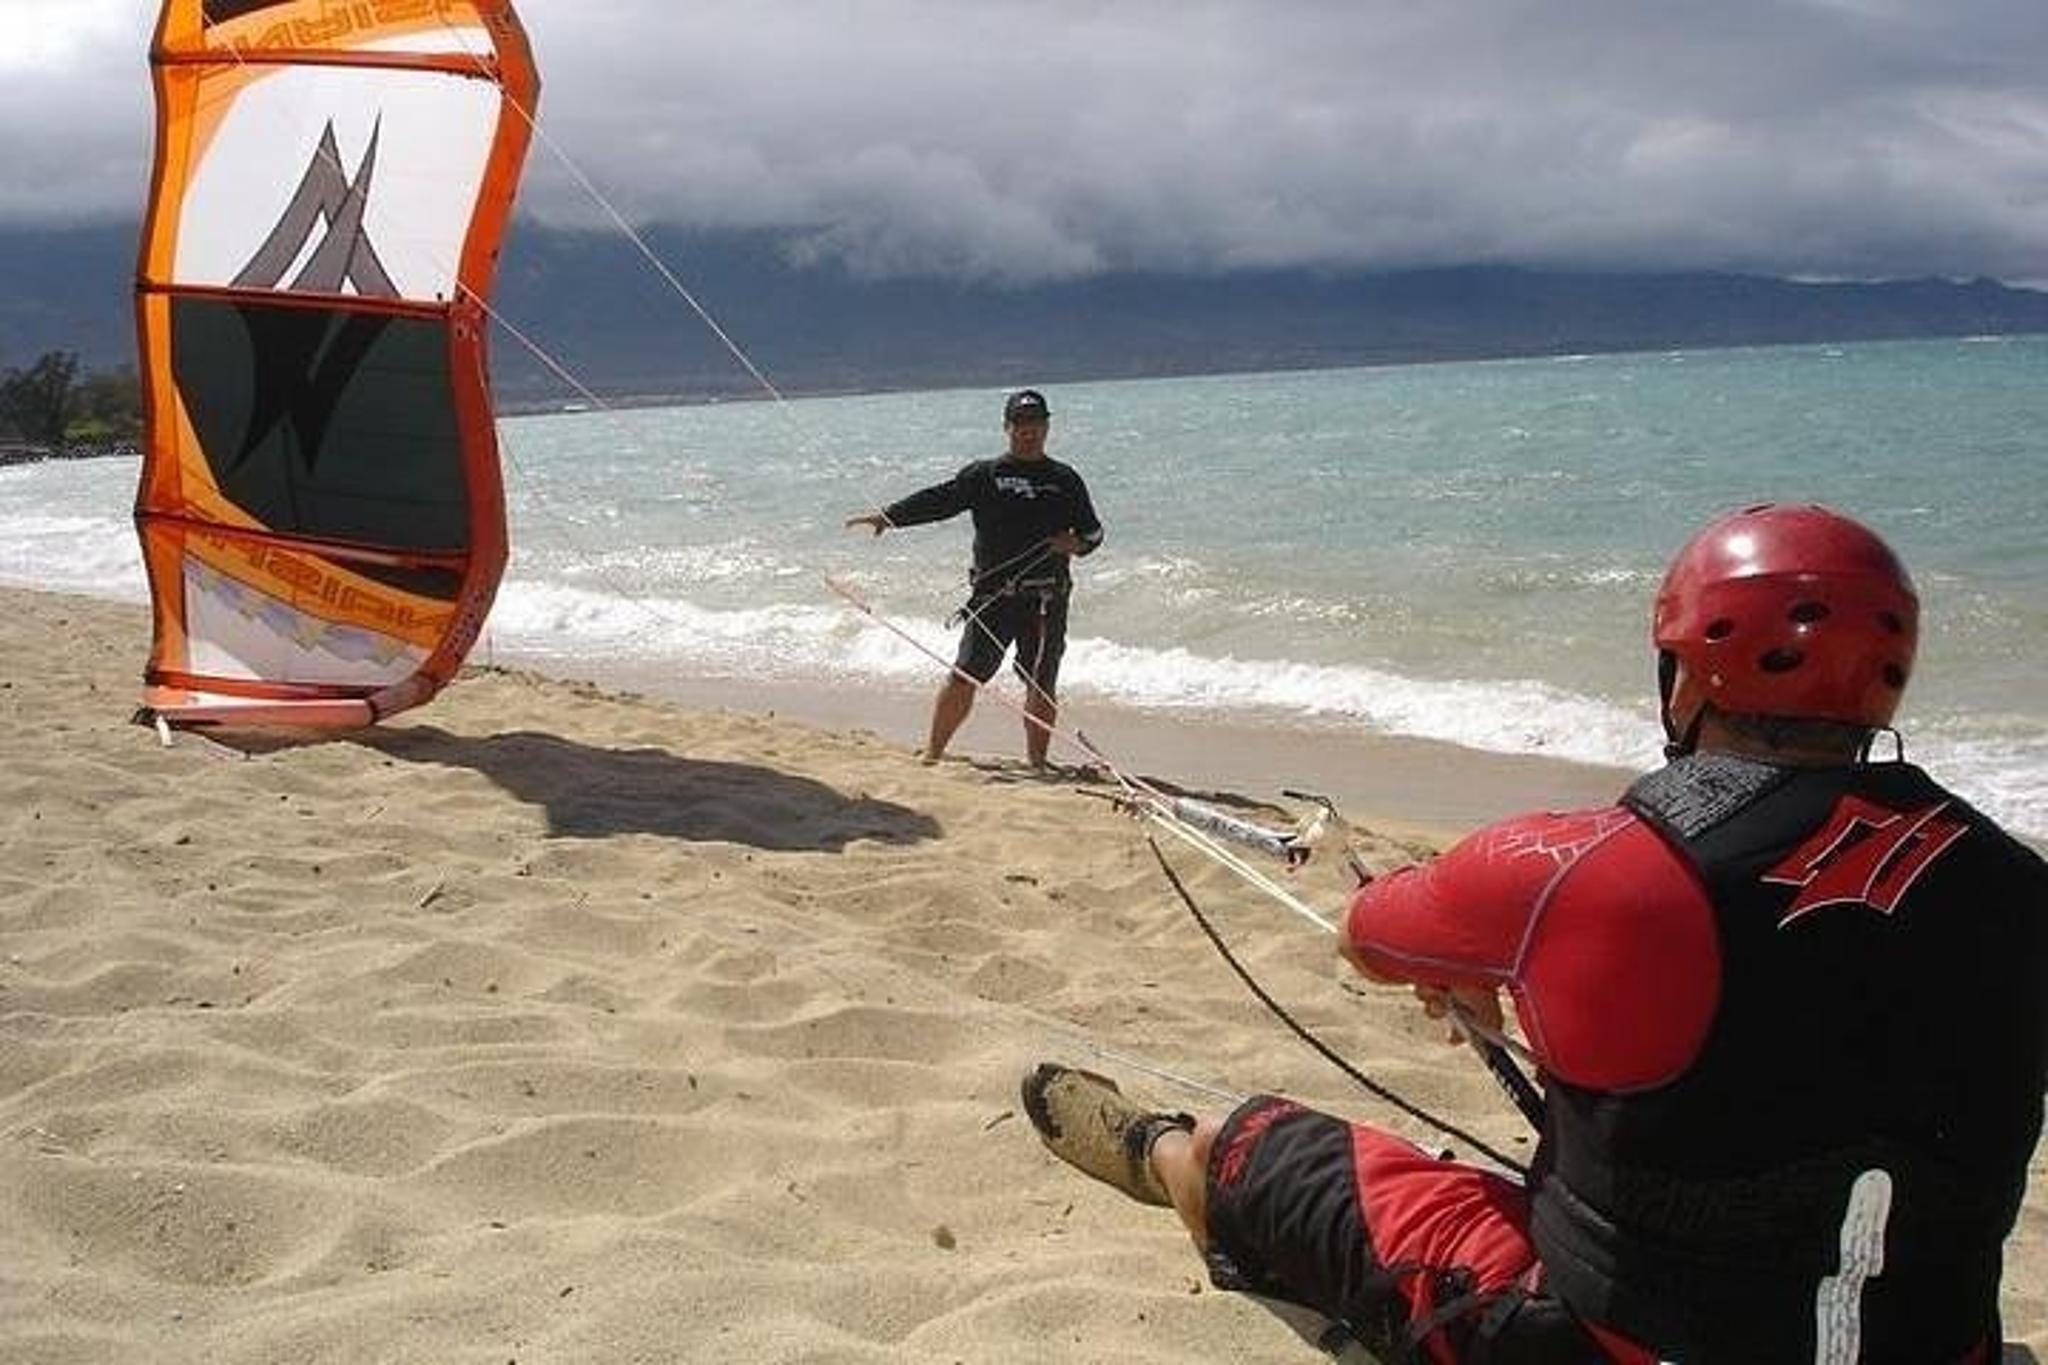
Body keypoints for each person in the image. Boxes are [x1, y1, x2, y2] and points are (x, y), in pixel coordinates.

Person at [1023, 503, 2048, 1364]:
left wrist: (1488, 964)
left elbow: (1367, 933)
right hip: (1936, 1347)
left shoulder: (1581, 868)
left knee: (1250, 1146)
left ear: (1685, 676)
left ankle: (1164, 1156)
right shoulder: (2016, 882)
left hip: (1615, 1344)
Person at [847, 388, 1103, 767]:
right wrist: (889, 517)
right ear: (1007, 427)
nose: (1028, 431)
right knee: (965, 674)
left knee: (1041, 685)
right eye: (1020, 424)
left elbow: (1094, 533)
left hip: (1046, 600)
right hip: (993, 598)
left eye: (1035, 424)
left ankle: (1037, 763)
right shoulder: (985, 475)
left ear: (1047, 427)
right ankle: (934, 753)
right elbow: (940, 500)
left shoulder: (1064, 479)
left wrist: (1076, 545)